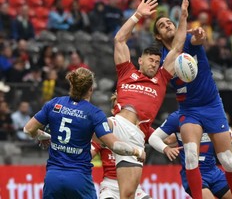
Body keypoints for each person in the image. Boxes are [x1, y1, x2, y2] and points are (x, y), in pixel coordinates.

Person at [153, 8, 232, 199]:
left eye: (169, 22)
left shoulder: (188, 40)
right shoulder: (163, 59)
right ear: (158, 36)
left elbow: (197, 40)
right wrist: (183, 18)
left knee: (228, 162)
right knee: (191, 155)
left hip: (212, 106)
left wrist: (200, 35)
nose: (167, 25)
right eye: (162, 25)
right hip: (189, 110)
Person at [112, 0, 192, 198]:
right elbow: (119, 40)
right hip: (116, 125)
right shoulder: (126, 72)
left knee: (128, 193)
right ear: (140, 60)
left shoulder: (162, 78)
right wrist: (137, 15)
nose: (154, 64)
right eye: (150, 60)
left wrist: (183, 17)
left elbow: (177, 47)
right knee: (95, 120)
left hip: (136, 135)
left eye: (157, 61)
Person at [23, 67, 145, 199]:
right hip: (79, 178)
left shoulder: (54, 104)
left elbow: (28, 129)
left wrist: (45, 136)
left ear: (72, 85)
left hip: (53, 177)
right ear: (91, 89)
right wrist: (137, 151)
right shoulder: (94, 113)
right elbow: (115, 146)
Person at [149, 111, 232, 199]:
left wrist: (231, 136)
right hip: (193, 174)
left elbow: (224, 127)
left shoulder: (212, 113)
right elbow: (155, 138)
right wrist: (165, 149)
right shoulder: (177, 117)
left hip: (214, 172)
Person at [91, 92, 152, 199]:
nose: (122, 110)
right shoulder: (106, 130)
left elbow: (166, 139)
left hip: (133, 185)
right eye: (118, 107)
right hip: (110, 186)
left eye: (124, 107)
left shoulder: (139, 128)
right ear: (113, 111)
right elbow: (87, 155)